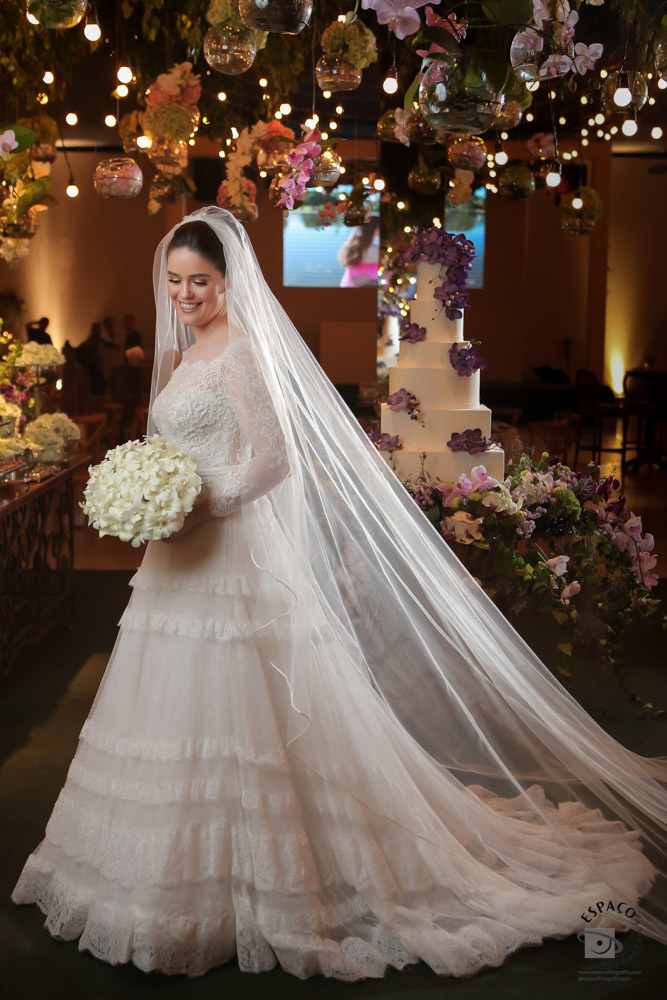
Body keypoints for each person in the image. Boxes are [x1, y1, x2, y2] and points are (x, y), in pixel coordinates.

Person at [11, 207, 667, 980]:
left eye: (201, 282)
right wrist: (146, 492)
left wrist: (201, 502)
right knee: (168, 701)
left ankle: (276, 881)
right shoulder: (185, 355)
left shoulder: (243, 353)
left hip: (226, 550)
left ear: (229, 282)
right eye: (176, 281)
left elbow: (273, 458)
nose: (185, 294)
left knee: (248, 706)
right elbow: (173, 446)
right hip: (173, 560)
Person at [337, 219, 380, 288]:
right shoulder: (375, 251)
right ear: (374, 229)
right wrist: (369, 281)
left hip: (347, 285)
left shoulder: (350, 247)